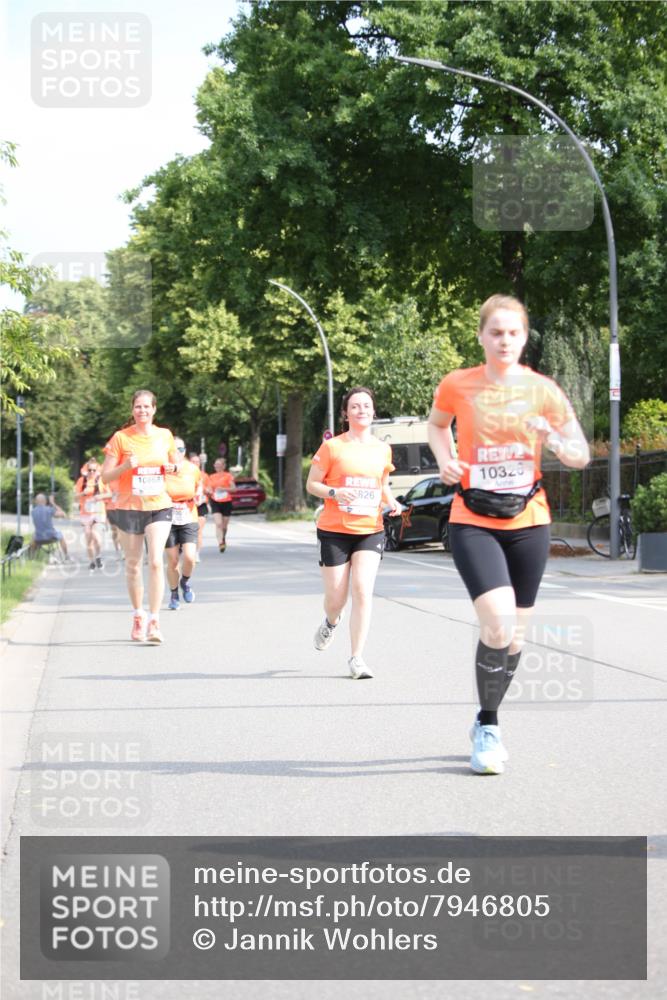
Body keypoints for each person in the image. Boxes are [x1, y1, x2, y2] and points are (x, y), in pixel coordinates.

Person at [428, 294, 590, 775]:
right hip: (473, 518)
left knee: (515, 639)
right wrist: (445, 459)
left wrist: (553, 436)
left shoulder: (542, 390)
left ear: (524, 338)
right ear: (481, 336)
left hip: (529, 521)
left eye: (513, 333)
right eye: (495, 332)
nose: (504, 340)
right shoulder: (458, 384)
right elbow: (437, 427)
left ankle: (484, 717)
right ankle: (491, 731)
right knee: (496, 623)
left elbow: (579, 454)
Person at [306, 386, 401, 679]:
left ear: (374, 412)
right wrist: (335, 491)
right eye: (355, 406)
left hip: (369, 529)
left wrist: (392, 501)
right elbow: (312, 484)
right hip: (334, 530)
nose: (362, 410)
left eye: (367, 405)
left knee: (362, 590)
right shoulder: (333, 447)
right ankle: (331, 621)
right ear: (346, 414)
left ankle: (357, 658)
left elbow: (382, 485)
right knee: (336, 598)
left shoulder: (382, 449)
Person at [101, 389, 178, 644]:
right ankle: (138, 615)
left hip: (159, 505)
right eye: (138, 407)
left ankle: (154, 621)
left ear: (154, 409)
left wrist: (172, 467)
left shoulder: (165, 435)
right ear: (132, 410)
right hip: (129, 507)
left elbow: (177, 464)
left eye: (147, 407)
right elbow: (106, 476)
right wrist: (125, 467)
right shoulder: (121, 438)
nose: (142, 411)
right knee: (133, 563)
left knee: (156, 561)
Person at [164, 438, 201, 609]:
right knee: (172, 561)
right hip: (167, 516)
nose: (177, 452)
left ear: (184, 451)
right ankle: (173, 595)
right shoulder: (163, 469)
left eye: (180, 449)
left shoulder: (192, 469)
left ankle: (185, 582)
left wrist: (199, 494)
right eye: (173, 449)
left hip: (188, 514)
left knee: (189, 557)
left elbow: (198, 485)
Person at [74, 458, 109, 570]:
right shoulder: (81, 481)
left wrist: (99, 496)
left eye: (94, 470)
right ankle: (92, 561)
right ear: (86, 470)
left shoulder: (100, 480)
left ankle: (98, 556)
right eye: (90, 470)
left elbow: (109, 494)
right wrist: (82, 493)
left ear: (97, 470)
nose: (92, 472)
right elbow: (75, 497)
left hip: (98, 512)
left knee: (95, 535)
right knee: (88, 538)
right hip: (85, 513)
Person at [207, 457, 235, 552]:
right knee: (218, 524)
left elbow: (234, 489)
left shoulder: (228, 476)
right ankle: (220, 543)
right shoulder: (212, 476)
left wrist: (224, 489)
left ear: (224, 466)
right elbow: (209, 488)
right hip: (215, 501)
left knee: (224, 526)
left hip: (226, 502)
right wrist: (209, 491)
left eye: (219, 465)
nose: (217, 466)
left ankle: (223, 538)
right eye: (215, 465)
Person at [30, 493, 71, 559]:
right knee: (60, 535)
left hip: (38, 538)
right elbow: (63, 514)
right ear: (45, 501)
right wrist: (53, 503)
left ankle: (32, 557)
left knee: (33, 536)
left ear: (36, 501)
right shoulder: (49, 510)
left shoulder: (33, 511)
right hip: (51, 537)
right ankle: (66, 555)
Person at [189, 451, 209, 560]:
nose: (196, 463)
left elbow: (210, 490)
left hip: (201, 504)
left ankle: (197, 553)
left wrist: (205, 490)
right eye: (193, 461)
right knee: (186, 529)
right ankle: (185, 549)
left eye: (197, 462)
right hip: (188, 504)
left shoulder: (204, 475)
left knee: (199, 530)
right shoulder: (184, 473)